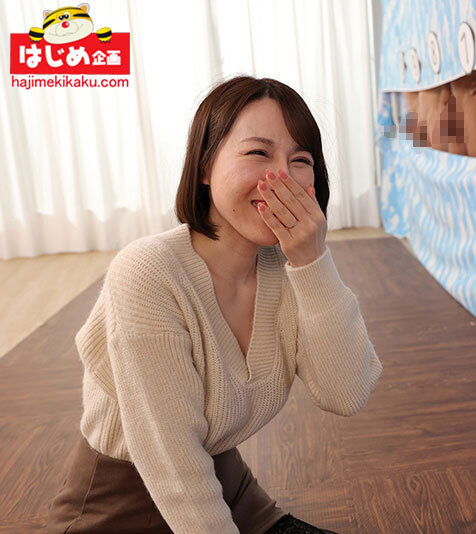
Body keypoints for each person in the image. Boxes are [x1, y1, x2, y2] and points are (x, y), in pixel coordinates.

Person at [45, 75, 383, 534]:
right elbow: (174, 463)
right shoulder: (148, 272)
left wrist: (312, 261)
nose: (282, 177)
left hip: (226, 492)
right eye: (258, 153)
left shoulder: (291, 269)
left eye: (301, 160)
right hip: (120, 510)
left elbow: (345, 393)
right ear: (205, 165)